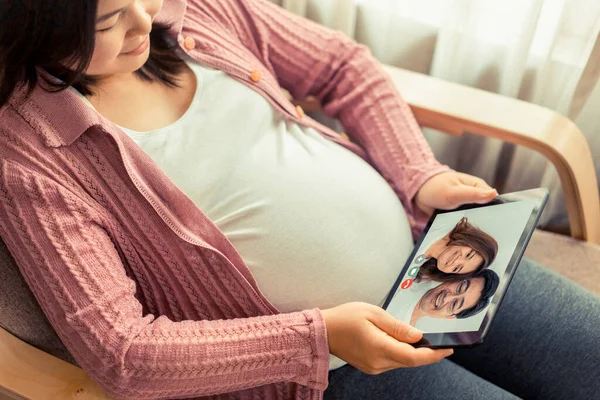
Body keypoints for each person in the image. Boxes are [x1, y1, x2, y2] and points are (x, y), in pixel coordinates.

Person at [0, 1, 598, 399]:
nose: (146, 19)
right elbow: (122, 352)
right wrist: (317, 339)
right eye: (107, 21)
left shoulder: (192, 13)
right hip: (321, 374)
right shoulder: (30, 160)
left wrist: (418, 175)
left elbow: (343, 66)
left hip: (435, 259)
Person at [415, 217, 499, 283]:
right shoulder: (445, 218)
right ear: (473, 240)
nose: (456, 261)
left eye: (457, 268)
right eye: (468, 255)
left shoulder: (412, 269)